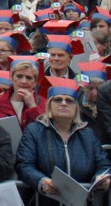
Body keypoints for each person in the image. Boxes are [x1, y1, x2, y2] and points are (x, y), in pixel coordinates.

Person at [16, 78, 111, 206]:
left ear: (76, 108)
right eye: (58, 100)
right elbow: (24, 164)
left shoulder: (87, 134)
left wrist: (102, 177)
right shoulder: (34, 131)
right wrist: (41, 181)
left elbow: (103, 164)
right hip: (45, 201)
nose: (64, 103)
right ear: (49, 105)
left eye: (69, 101)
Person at [0, 58, 45, 130]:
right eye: (19, 76)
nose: (23, 81)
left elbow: (46, 130)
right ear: (11, 78)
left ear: (35, 82)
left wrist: (33, 106)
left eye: (29, 78)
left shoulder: (43, 103)